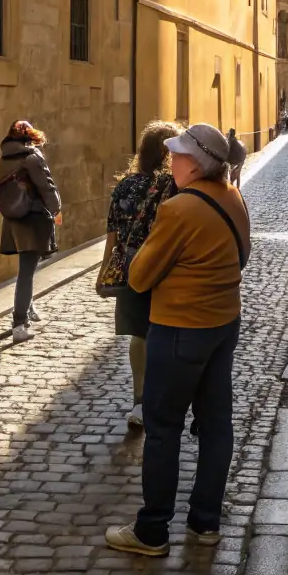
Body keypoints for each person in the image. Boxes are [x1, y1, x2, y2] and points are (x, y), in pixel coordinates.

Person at [106, 123, 252, 557]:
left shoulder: (179, 209)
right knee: (215, 422)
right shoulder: (233, 197)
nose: (173, 161)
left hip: (179, 327)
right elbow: (243, 253)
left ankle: (152, 530)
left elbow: (140, 275)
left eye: (180, 155)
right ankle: (205, 522)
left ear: (195, 162)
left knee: (164, 426)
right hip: (223, 322)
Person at [105, 121, 181, 428]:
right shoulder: (174, 185)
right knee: (166, 331)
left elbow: (112, 235)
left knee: (139, 334)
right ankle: (162, 396)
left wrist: (104, 273)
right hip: (164, 265)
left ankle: (139, 400)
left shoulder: (125, 185)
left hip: (130, 265)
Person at [0, 120, 62, 344]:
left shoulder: (1, 160)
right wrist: (57, 209)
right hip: (33, 218)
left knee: (28, 268)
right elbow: (47, 186)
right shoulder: (32, 157)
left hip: (13, 220)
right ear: (29, 138)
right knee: (26, 271)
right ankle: (19, 324)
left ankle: (28, 308)